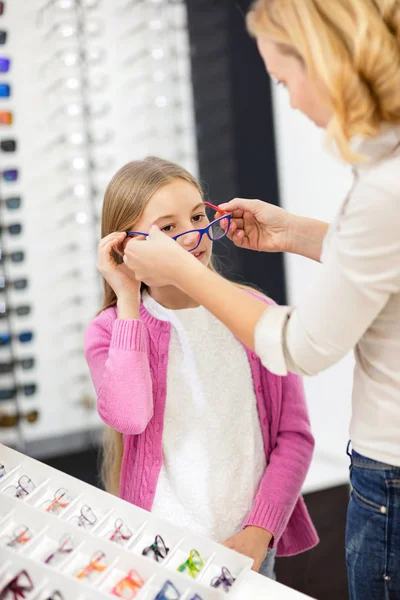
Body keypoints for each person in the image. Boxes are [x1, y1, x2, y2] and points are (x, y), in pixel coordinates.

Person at [121, 2, 400, 599]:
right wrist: (297, 233)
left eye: (284, 79)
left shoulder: (383, 186)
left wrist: (258, 531)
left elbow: (300, 349)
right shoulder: (383, 176)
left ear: (322, 63)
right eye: (166, 229)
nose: (293, 101)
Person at [84, 156, 318, 579]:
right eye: (168, 227)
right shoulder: (112, 331)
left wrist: (259, 532)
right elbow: (129, 416)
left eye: (196, 215)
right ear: (124, 246)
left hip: (245, 548)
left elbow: (295, 437)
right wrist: (129, 302)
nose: (192, 235)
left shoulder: (257, 316)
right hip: (157, 548)